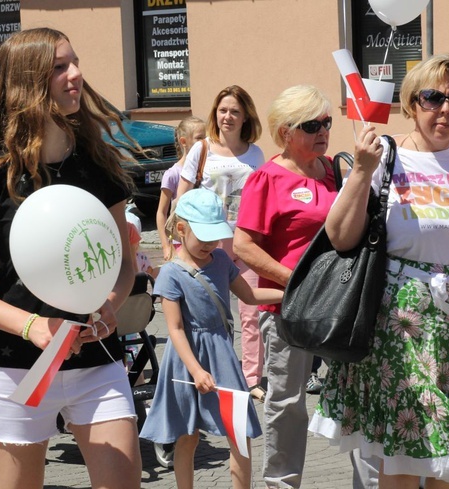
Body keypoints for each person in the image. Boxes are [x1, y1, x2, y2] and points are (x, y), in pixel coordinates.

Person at [0, 27, 142, 488]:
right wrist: (33, 327)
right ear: (28, 81)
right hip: (17, 368)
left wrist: (110, 302)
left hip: (97, 361)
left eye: (75, 62)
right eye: (59, 68)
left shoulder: (96, 161)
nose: (77, 75)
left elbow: (123, 262)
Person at [308, 54, 449, 488]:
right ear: (411, 103)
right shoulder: (385, 155)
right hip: (396, 329)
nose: (446, 109)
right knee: (403, 462)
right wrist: (362, 171)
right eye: (433, 97)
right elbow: (341, 237)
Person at [140, 188, 281, 489]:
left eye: (215, 237)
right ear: (181, 228)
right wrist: (195, 370)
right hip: (187, 361)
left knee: (238, 429)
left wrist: (290, 292)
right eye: (203, 237)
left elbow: (251, 295)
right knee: (187, 435)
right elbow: (175, 329)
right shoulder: (171, 274)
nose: (211, 244)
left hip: (221, 355)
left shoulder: (220, 260)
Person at [233, 85, 338, 488]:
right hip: (287, 310)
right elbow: (243, 245)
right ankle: (281, 483)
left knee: (351, 398)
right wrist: (293, 279)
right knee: (288, 404)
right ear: (285, 133)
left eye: (326, 122)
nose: (322, 131)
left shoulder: (331, 170)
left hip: (336, 305)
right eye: (311, 125)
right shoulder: (267, 177)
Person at [175, 85, 266, 401]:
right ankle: (207, 370)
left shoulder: (255, 154)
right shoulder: (201, 150)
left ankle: (252, 378)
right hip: (205, 245)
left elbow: (261, 200)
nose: (227, 117)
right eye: (223, 110)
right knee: (205, 313)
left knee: (250, 314)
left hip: (245, 242)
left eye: (235, 112)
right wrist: (178, 237)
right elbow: (182, 196)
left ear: (245, 118)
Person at [157, 116, 205, 262]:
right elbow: (161, 212)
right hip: (181, 241)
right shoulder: (172, 174)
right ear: (184, 141)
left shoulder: (205, 168)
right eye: (199, 138)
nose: (204, 142)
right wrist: (166, 245)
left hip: (203, 239)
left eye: (206, 138)